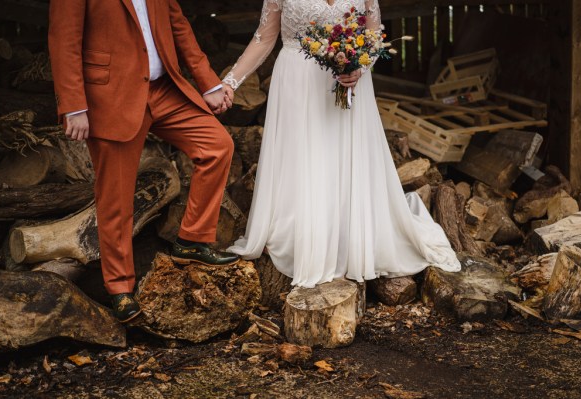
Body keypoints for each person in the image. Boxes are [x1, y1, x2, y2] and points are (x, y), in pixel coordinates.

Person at [225, 0, 461, 288]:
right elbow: (263, 39)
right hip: (298, 86)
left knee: (345, 161)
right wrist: (229, 83)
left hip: (349, 85)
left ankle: (350, 239)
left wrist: (360, 67)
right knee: (305, 161)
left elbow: (373, 37)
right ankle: (302, 236)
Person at [48, 0, 239, 322]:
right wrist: (74, 105)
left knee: (217, 146)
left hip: (164, 91)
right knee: (116, 199)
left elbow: (179, 26)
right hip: (110, 96)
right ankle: (120, 289)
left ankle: (192, 239)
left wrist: (208, 82)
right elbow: (63, 40)